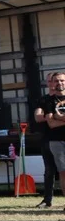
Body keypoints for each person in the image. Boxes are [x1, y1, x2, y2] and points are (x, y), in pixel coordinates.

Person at [34, 72, 65, 212]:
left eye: (62, 80)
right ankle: (48, 200)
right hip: (53, 139)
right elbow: (44, 119)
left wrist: (59, 117)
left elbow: (52, 118)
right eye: (55, 81)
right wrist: (54, 118)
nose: (59, 83)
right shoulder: (47, 100)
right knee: (55, 171)